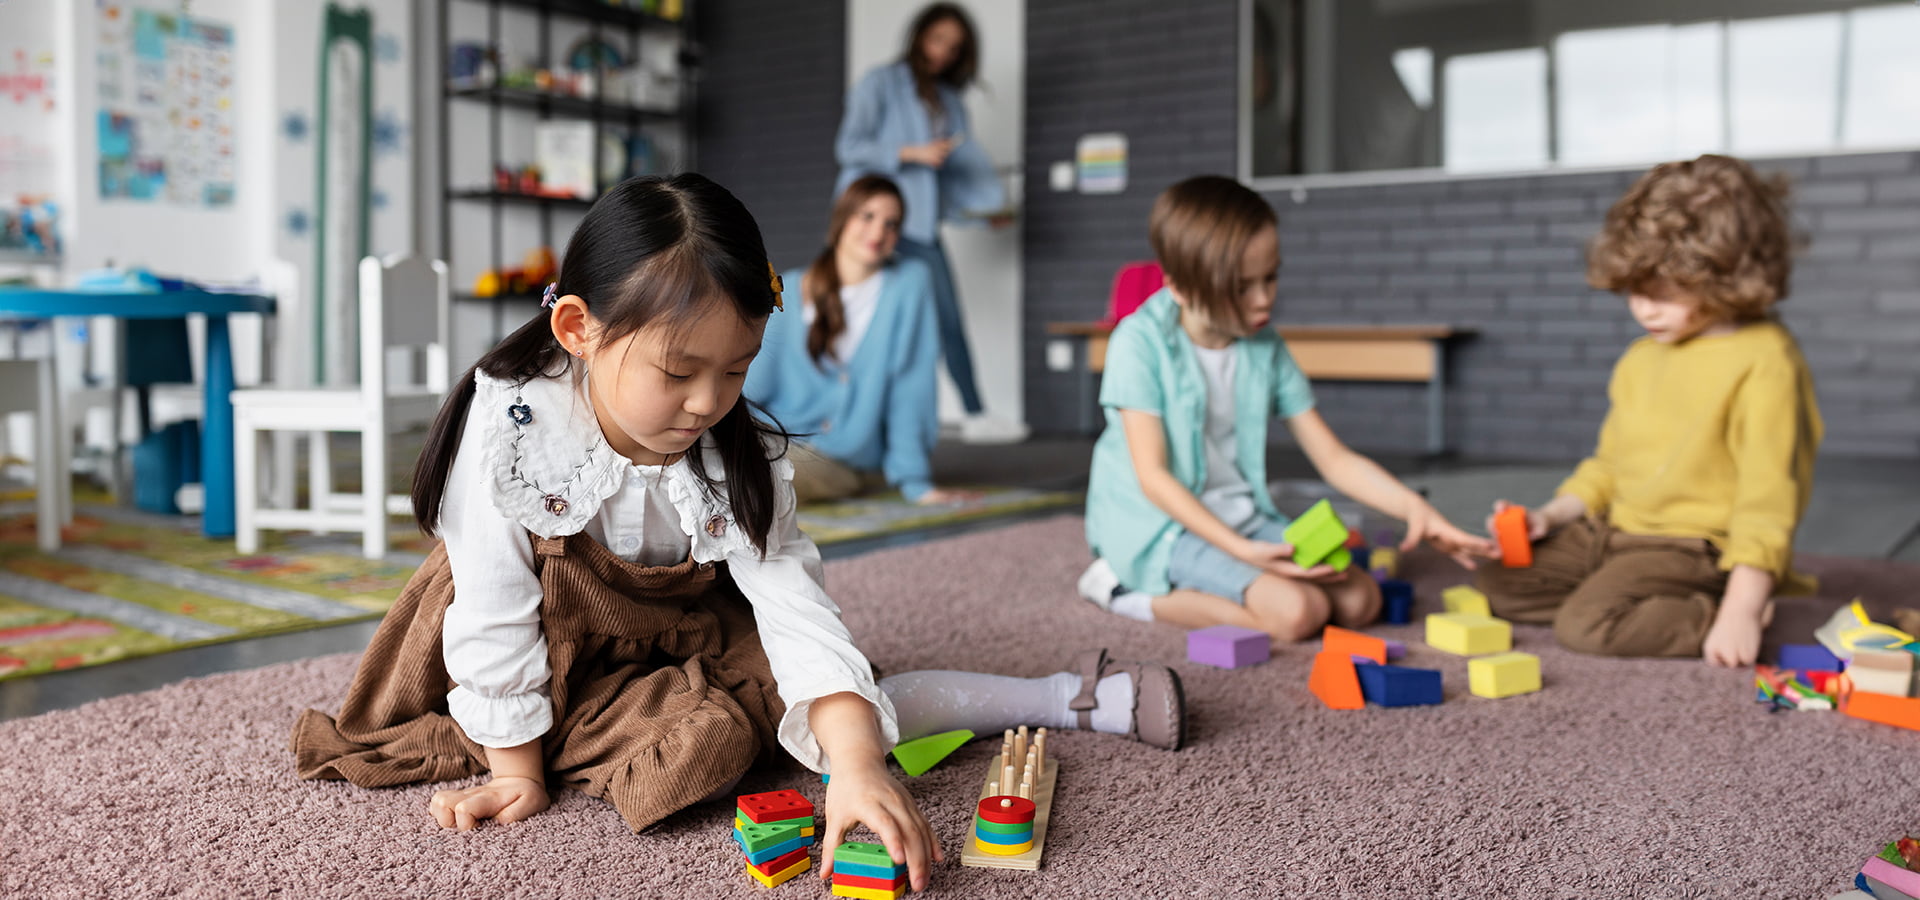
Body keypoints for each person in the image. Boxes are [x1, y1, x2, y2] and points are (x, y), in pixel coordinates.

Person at [288, 174, 1183, 892]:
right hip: (548, 637)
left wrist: (861, 765)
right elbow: (491, 606)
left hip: (682, 627)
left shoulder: (731, 446)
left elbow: (791, 599)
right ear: (579, 329)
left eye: (737, 370)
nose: (711, 402)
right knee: (706, 752)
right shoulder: (511, 431)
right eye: (680, 372)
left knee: (839, 711)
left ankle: (1055, 696)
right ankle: (553, 738)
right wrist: (518, 770)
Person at [1077, 175, 1492, 644]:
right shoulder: (1138, 341)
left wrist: (1414, 508)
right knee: (1297, 613)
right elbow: (1154, 478)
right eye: (1240, 287)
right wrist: (1242, 552)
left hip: (1241, 515)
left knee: (1360, 602)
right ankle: (1121, 590)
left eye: (1270, 277)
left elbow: (1333, 458)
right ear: (1179, 287)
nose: (1263, 299)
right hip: (1159, 523)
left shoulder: (1265, 347)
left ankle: (1235, 577)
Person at [1475, 154, 1822, 668]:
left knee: (1586, 625)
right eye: (1634, 291)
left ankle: (1723, 611)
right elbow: (1609, 466)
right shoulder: (1641, 358)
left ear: (1727, 274)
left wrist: (1742, 607)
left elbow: (1767, 500)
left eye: (1663, 294)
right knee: (1499, 584)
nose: (1643, 310)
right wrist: (1549, 516)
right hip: (1613, 531)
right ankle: (1625, 593)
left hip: (1690, 547)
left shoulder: (1766, 359)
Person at [835, 2, 1026, 444]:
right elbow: (849, 147)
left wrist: (983, 216)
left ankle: (975, 414)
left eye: (955, 47)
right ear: (920, 35)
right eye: (938, 39)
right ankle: (851, 419)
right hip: (869, 224)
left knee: (945, 320)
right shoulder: (880, 83)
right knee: (865, 322)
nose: (943, 52)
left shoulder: (950, 102)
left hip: (920, 226)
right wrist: (911, 152)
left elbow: (948, 182)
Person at [748, 175, 975, 506]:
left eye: (891, 223)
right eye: (867, 216)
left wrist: (916, 482)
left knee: (757, 483)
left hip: (841, 455)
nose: (879, 231)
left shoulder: (909, 285)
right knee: (706, 468)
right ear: (842, 218)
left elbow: (910, 388)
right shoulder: (791, 290)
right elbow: (750, 386)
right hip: (773, 438)